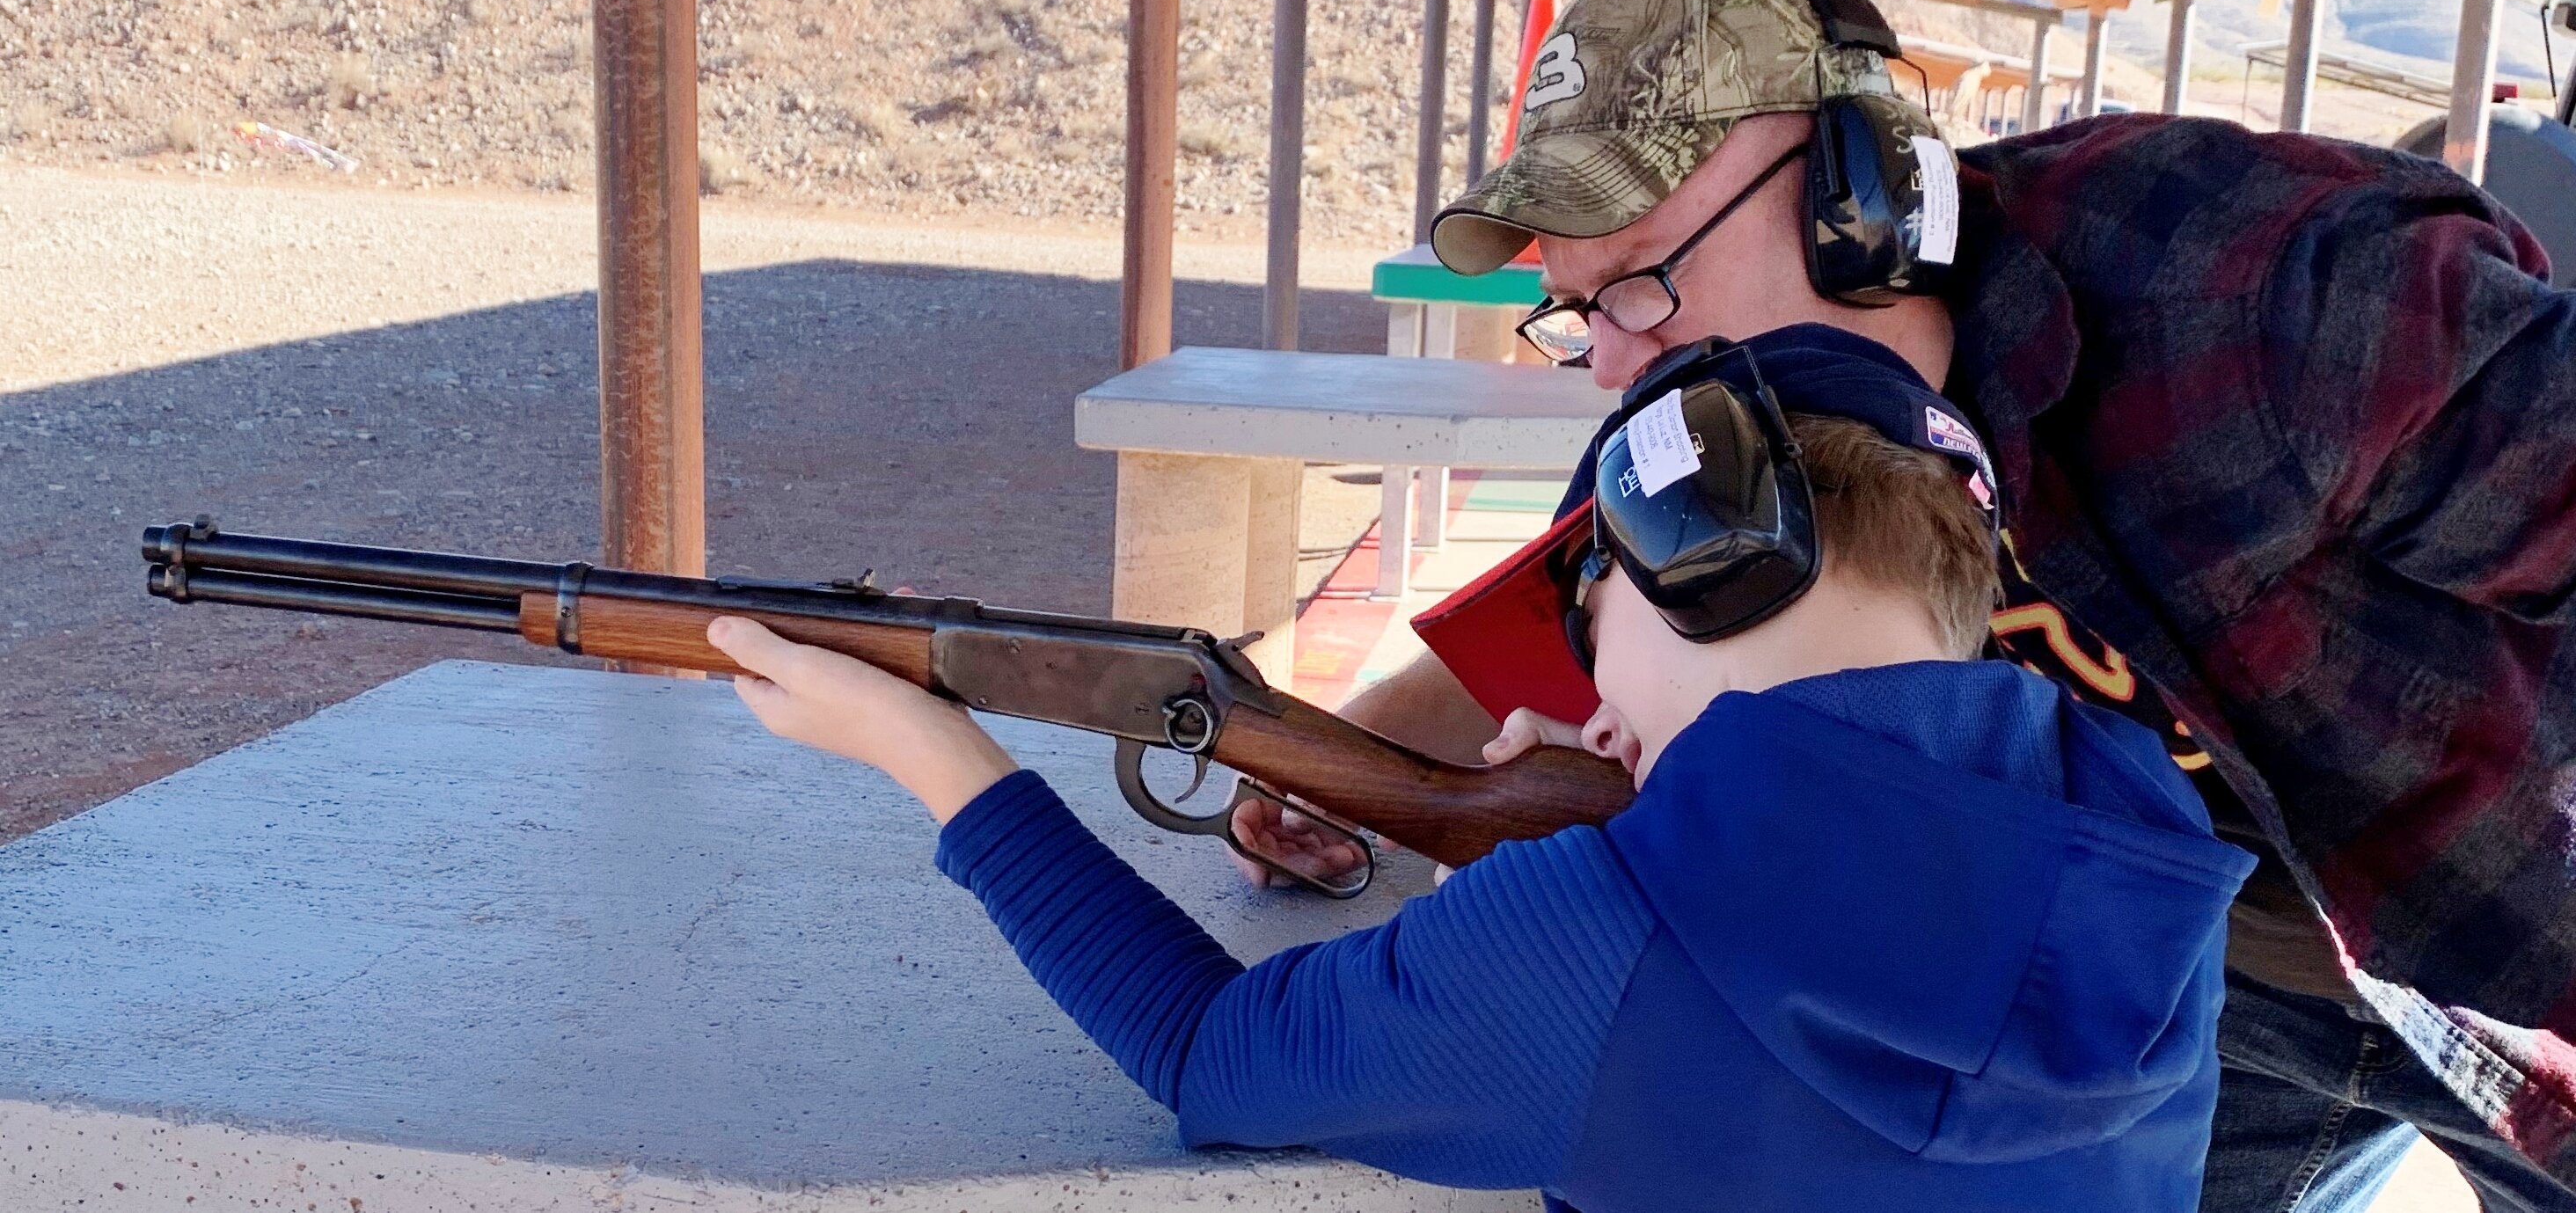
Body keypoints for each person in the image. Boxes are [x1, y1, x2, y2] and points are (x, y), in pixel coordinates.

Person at [1241, 0, 2576, 1209]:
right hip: (2159, 981)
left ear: (1859, 199)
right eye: (1579, 312)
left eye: (1640, 284)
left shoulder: (2265, 291)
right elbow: (1560, 626)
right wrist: (1335, 760)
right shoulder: (1727, 414)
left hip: (2511, 948)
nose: (1608, 363)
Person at [709, 325, 2250, 1212]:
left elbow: (1207, 1052)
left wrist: (927, 747)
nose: (1583, 684)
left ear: (1693, 566)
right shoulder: (2146, 850)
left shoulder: (1604, 927)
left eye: (1590, 612)